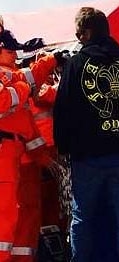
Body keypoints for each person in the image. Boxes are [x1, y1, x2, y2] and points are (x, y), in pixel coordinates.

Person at [53, 7, 119, 262]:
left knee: (82, 217)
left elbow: (63, 109)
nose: (77, 37)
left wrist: (63, 147)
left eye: (79, 32)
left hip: (88, 154)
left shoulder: (76, 64)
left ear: (87, 32)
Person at [0, 26, 59, 262]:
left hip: (18, 155)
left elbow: (30, 77)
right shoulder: (7, 75)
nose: (16, 55)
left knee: (20, 217)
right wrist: (23, 90)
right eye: (12, 50)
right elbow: (8, 98)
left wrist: (53, 58)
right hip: (7, 154)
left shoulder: (9, 74)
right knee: (6, 216)